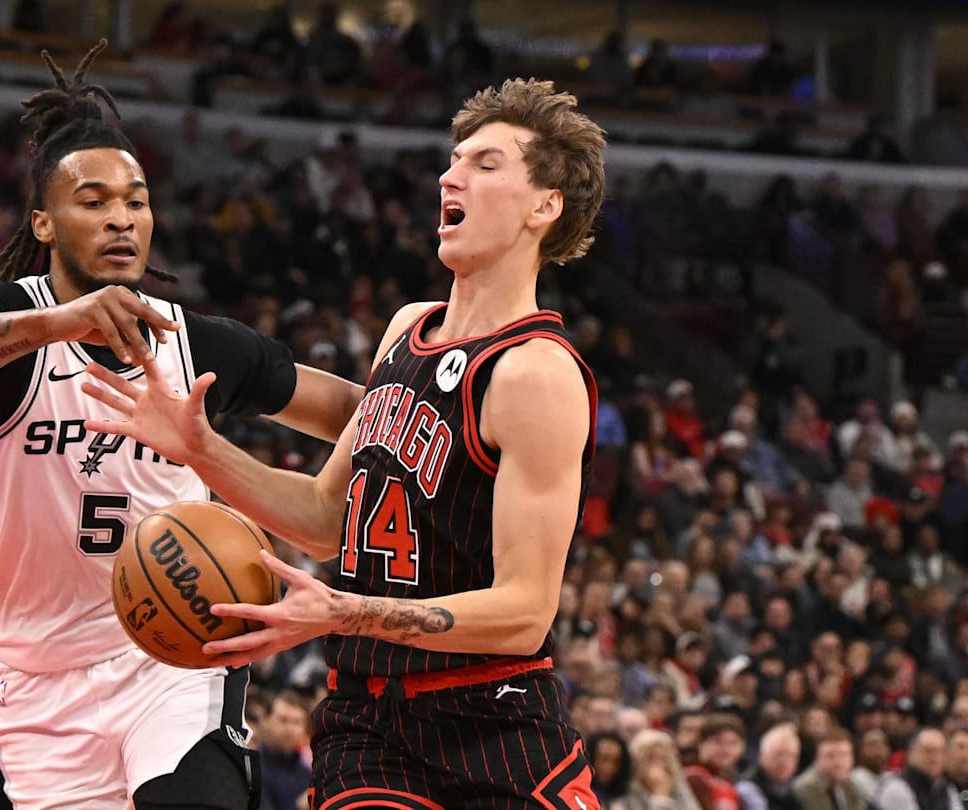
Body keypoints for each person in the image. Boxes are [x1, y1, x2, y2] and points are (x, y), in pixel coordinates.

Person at [84, 78, 606, 807]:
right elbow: (329, 519)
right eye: (454, 160)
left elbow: (524, 615)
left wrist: (344, 610)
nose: (448, 177)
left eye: (485, 165)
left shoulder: (535, 374)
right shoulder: (405, 330)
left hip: (493, 720)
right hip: (366, 722)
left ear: (544, 207)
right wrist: (202, 449)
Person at [0, 41, 361, 809]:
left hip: (173, 649)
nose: (122, 218)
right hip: (40, 678)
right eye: (95, 202)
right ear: (43, 222)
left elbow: (356, 409)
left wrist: (325, 499)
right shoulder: (4, 321)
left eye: (137, 201)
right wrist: (56, 322)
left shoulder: (197, 344)